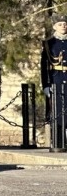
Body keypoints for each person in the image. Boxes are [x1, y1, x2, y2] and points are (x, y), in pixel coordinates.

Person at [42, 12, 67, 150]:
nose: (63, 26)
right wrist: (45, 85)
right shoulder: (48, 43)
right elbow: (44, 66)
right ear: (54, 26)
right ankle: (59, 142)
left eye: (65, 24)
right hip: (56, 81)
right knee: (58, 113)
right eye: (60, 24)